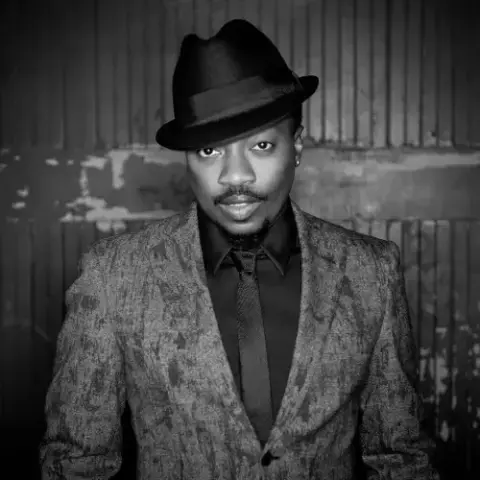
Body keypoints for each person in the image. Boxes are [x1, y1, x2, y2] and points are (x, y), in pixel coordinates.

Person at [39, 19, 439, 480]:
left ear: (297, 146)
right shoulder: (112, 277)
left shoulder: (371, 273)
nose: (235, 176)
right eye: (210, 152)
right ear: (187, 158)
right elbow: (76, 466)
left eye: (262, 145)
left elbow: (402, 461)